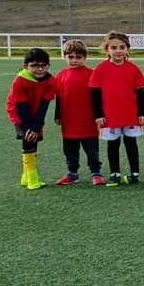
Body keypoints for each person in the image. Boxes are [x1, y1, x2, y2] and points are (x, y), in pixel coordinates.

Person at [89, 31, 144, 187]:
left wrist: (141, 113)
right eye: (114, 47)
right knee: (113, 145)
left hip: (130, 115)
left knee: (131, 144)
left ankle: (135, 172)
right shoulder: (100, 68)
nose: (118, 51)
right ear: (107, 49)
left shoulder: (133, 68)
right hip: (110, 116)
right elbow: (95, 93)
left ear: (127, 48)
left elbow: (140, 93)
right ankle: (115, 172)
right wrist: (98, 115)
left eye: (122, 47)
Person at [53, 39, 102, 186]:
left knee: (92, 150)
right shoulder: (61, 75)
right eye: (70, 57)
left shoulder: (92, 74)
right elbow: (59, 97)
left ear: (85, 57)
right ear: (65, 57)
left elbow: (98, 97)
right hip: (69, 120)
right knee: (70, 150)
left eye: (78, 57)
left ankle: (96, 173)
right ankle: (72, 173)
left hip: (88, 119)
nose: (74, 60)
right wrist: (57, 114)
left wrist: (99, 115)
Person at [6, 48, 56, 190]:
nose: (40, 69)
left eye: (43, 65)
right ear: (25, 66)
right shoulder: (20, 81)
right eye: (34, 65)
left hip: (36, 113)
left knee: (34, 138)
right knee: (28, 139)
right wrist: (29, 127)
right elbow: (21, 106)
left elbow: (44, 106)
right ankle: (32, 177)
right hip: (18, 112)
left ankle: (25, 176)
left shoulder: (51, 81)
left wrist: (36, 126)